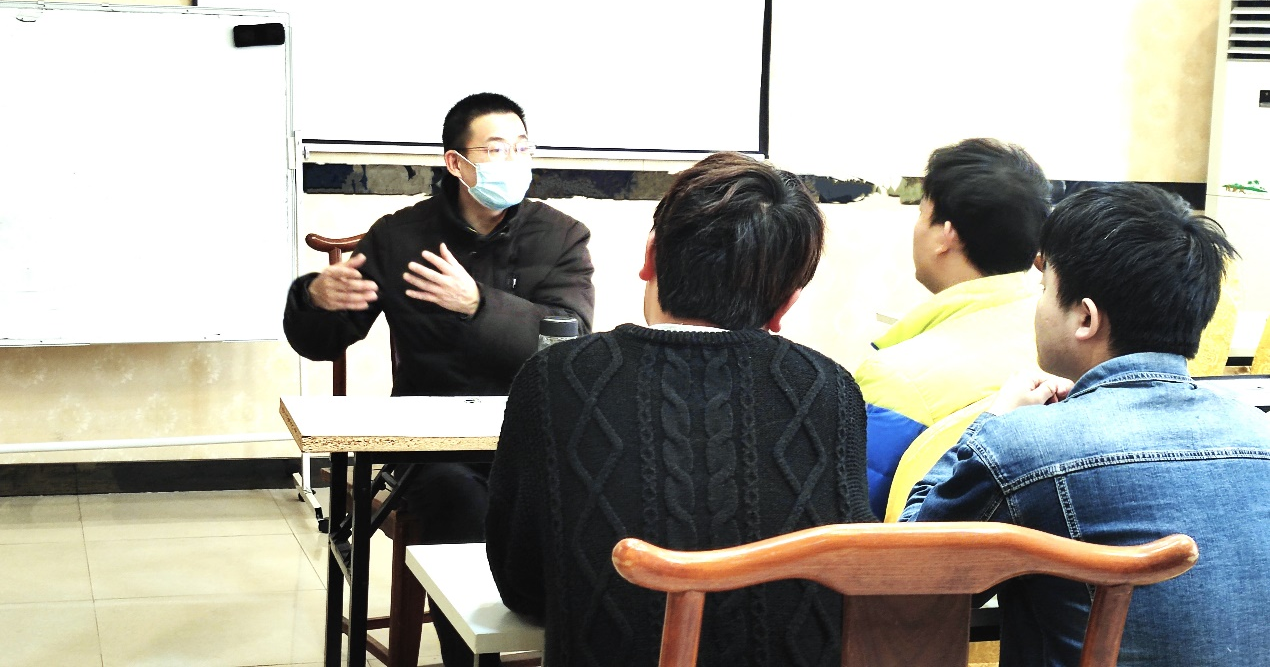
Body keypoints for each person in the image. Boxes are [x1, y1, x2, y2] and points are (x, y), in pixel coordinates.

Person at [485, 151, 875, 667]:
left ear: (650, 256)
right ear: (786, 303)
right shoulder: (829, 390)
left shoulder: (554, 378)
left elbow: (522, 585)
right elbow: (849, 580)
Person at [283, 92, 595, 667]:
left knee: (595, 494)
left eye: (522, 149)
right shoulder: (401, 237)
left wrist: (479, 305)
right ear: (456, 162)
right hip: (430, 448)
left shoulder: (561, 236)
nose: (513, 161)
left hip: (531, 437)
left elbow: (568, 343)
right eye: (496, 150)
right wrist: (313, 298)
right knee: (457, 499)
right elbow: (324, 341)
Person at [903, 183, 1270, 667]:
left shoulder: (1024, 445)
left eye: (1044, 290)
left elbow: (909, 579)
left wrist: (992, 420)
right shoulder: (1260, 433)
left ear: (1085, 318)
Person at [860, 138, 1052, 517]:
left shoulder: (895, 378)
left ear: (946, 235)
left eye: (921, 213)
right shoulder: (1069, 348)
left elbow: (861, 520)